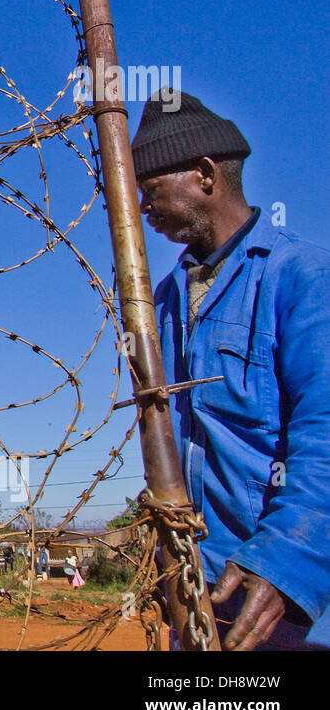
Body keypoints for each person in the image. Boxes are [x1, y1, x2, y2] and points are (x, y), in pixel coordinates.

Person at [132, 88, 330, 650]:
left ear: (203, 174)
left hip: (291, 596)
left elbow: (325, 428)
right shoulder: (163, 301)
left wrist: (291, 559)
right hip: (199, 589)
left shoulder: (304, 277)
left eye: (150, 191)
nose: (143, 210)